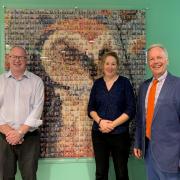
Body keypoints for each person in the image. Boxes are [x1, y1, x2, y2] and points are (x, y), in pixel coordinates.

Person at [134, 44, 180, 180]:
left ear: (167, 60)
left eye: (159, 57)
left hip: (172, 157)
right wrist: (138, 142)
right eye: (151, 59)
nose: (155, 62)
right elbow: (140, 118)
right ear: (148, 63)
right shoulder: (144, 87)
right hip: (149, 154)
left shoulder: (178, 85)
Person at [88, 51, 136, 180]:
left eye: (113, 64)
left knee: (121, 172)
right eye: (107, 63)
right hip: (99, 134)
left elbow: (131, 109)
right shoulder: (97, 84)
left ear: (117, 65)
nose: (110, 67)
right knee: (100, 172)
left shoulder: (125, 83)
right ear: (102, 65)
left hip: (120, 134)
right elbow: (91, 108)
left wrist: (112, 124)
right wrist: (101, 122)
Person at [0, 46, 44, 180]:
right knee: (5, 176)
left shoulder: (37, 82)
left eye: (21, 57)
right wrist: (9, 132)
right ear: (9, 58)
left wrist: (19, 132)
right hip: (4, 138)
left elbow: (37, 110)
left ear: (26, 60)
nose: (17, 60)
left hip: (29, 138)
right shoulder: (0, 81)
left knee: (29, 176)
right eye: (14, 57)